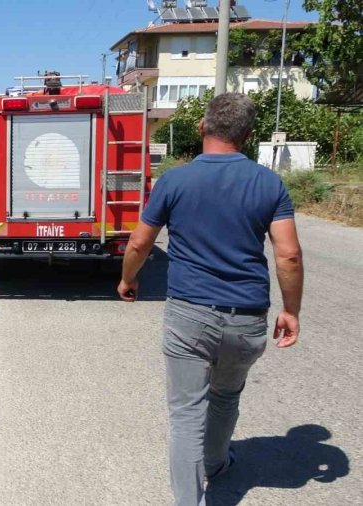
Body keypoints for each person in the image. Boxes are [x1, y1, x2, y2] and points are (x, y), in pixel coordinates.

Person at [117, 93, 304, 506]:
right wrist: (290, 310)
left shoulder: (175, 181)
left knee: (186, 414)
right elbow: (288, 254)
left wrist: (128, 279)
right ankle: (216, 463)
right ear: (249, 136)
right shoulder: (269, 183)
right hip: (247, 316)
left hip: (189, 313)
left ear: (202, 128)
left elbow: (140, 242)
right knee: (225, 396)